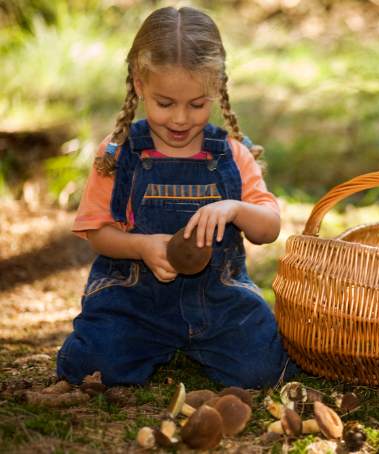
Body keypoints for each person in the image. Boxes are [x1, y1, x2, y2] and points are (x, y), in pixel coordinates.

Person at [56, 6, 298, 388]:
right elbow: (97, 233)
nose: (181, 119)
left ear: (216, 88)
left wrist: (234, 208)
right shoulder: (119, 154)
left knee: (264, 370)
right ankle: (148, 344)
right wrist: (141, 247)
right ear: (139, 85)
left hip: (219, 301)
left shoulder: (232, 153)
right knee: (91, 366)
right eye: (165, 103)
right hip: (135, 301)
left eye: (197, 104)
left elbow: (269, 229)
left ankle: (197, 345)